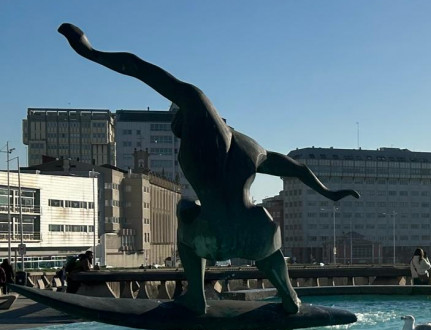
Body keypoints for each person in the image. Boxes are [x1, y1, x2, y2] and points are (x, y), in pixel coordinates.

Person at [58, 23, 359, 314]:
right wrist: (329, 193)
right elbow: (298, 168)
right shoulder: (255, 149)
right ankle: (288, 296)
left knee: (186, 208)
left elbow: (140, 68)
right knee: (263, 233)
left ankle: (197, 299)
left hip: (212, 234)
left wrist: (89, 52)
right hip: (258, 231)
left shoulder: (196, 105)